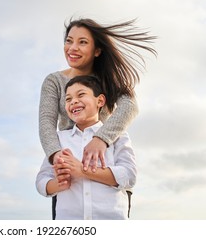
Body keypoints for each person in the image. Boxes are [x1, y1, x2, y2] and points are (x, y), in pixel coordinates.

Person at [38, 17, 156, 218]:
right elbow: (45, 123)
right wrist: (60, 160)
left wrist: (100, 139)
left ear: (97, 50)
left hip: (105, 172)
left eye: (82, 42)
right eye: (69, 40)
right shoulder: (54, 81)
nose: (72, 48)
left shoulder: (108, 79)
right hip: (70, 183)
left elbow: (130, 106)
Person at [36, 75, 137, 220]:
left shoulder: (118, 136)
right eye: (68, 99)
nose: (73, 101)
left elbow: (129, 175)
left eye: (81, 94)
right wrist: (57, 184)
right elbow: (41, 180)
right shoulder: (59, 140)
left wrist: (83, 171)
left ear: (100, 101)